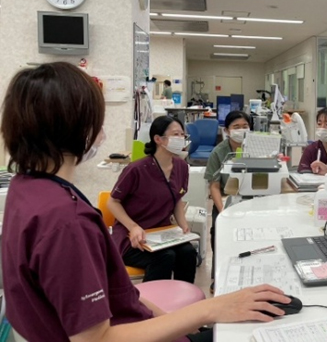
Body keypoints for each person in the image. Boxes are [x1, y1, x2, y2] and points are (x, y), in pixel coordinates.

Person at [0, 62, 290, 342]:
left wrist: (183, 323)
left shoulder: (26, 189)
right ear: (77, 125)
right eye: (98, 120)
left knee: (185, 255)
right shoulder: (67, 222)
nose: (101, 131)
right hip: (130, 329)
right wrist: (211, 309)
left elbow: (123, 296)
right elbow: (95, 339)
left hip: (137, 322)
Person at [108, 116, 197, 283]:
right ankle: (151, 300)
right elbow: (112, 202)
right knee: (165, 257)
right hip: (132, 235)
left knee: (188, 253)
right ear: (158, 139)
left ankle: (184, 298)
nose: (180, 139)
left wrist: (183, 225)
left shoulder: (182, 167)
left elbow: (177, 198)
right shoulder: (136, 169)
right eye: (175, 134)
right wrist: (133, 227)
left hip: (162, 232)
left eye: (182, 135)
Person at [204, 110, 251, 290]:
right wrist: (223, 210)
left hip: (251, 200)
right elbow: (214, 186)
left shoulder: (256, 147)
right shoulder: (219, 152)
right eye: (236, 127)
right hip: (226, 199)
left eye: (245, 126)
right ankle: (219, 276)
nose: (241, 130)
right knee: (219, 231)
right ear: (227, 130)